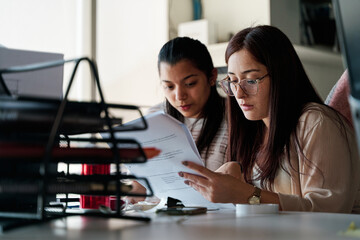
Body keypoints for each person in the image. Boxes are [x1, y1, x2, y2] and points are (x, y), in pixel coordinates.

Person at [179, 25, 360, 213]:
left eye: (251, 80)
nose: (239, 94)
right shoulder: (254, 130)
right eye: (232, 81)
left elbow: (326, 213)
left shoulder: (316, 123)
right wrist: (235, 179)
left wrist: (245, 193)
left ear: (281, 76)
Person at [127, 36, 228, 203]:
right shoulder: (154, 119)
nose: (179, 96)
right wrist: (134, 192)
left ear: (212, 77)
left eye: (190, 83)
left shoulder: (234, 119)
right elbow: (140, 185)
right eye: (169, 86)